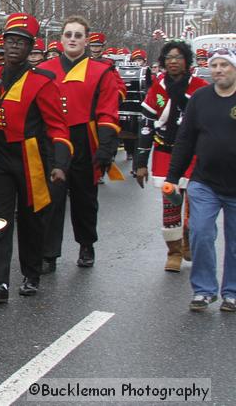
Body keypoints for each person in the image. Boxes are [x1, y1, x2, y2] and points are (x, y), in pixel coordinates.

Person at [0, 14, 70, 303]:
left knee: (32, 221)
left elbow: (57, 126)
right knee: (0, 222)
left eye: (21, 41)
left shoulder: (42, 81)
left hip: (31, 158)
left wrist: (59, 163)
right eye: (10, 40)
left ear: (31, 47)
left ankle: (31, 274)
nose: (14, 46)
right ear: (3, 44)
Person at [37, 16, 121, 272]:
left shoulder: (101, 71)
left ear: (86, 40)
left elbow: (108, 110)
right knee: (52, 199)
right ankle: (49, 253)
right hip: (52, 140)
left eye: (78, 35)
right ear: (60, 39)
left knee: (85, 197)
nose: (72, 39)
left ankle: (86, 244)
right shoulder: (45, 69)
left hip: (84, 138)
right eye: (68, 34)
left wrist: (106, 147)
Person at [164, 49, 236, 312]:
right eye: (214, 65)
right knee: (201, 233)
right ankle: (204, 290)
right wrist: (173, 176)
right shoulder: (200, 98)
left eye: (225, 65)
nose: (218, 70)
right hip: (204, 182)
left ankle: (232, 292)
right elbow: (185, 140)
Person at [134, 41, 208, 272]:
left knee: (195, 203)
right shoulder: (157, 87)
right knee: (170, 203)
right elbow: (147, 126)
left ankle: (189, 239)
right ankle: (173, 251)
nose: (173, 61)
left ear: (186, 60)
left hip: (194, 155)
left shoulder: (200, 87)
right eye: (168, 58)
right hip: (165, 152)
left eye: (178, 57)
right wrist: (140, 163)